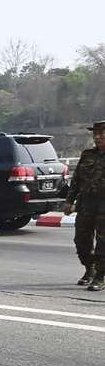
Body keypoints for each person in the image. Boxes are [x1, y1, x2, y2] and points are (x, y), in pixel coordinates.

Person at [65, 120, 105, 291]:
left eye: (102, 133)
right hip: (86, 204)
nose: (98, 136)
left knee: (103, 243)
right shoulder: (87, 155)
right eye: (96, 133)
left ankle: (100, 276)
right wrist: (69, 200)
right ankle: (90, 268)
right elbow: (76, 180)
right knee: (81, 240)